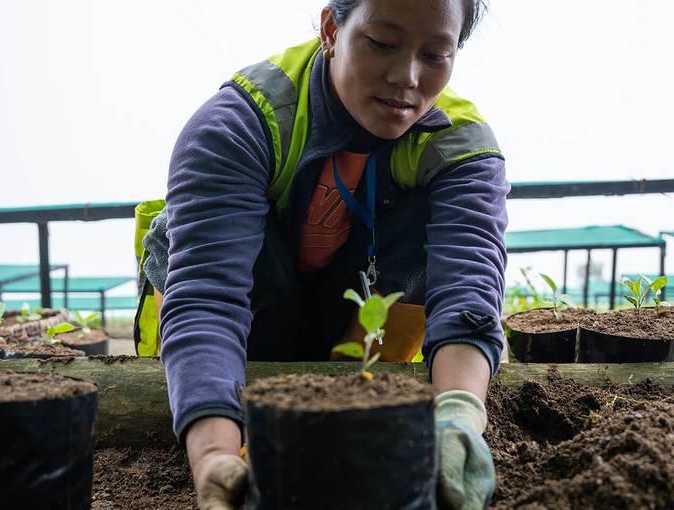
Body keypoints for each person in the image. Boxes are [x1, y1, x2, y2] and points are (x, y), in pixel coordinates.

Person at [137, 0, 508, 508]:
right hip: (247, 333)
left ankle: (366, 406)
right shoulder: (241, 124)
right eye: (382, 43)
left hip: (355, 342)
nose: (407, 77)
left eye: (436, 54)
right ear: (332, 29)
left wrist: (460, 419)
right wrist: (213, 457)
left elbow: (467, 291)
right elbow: (207, 297)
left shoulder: (460, 146)